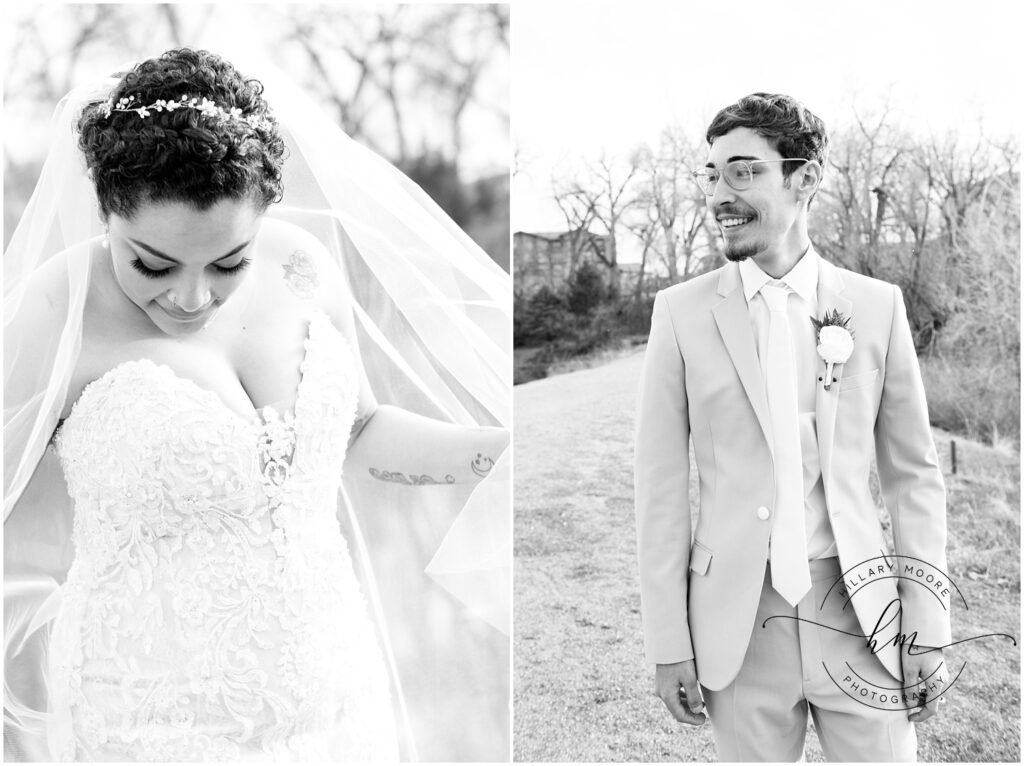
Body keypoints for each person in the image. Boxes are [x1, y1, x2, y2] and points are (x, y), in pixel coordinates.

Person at [4, 48, 510, 762]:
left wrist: (496, 452)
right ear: (104, 209)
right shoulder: (52, 312)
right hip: (149, 721)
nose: (191, 297)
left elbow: (360, 432)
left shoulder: (303, 267)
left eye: (228, 262)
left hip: (338, 697)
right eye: (150, 263)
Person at [634, 93, 950, 761]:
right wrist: (669, 643)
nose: (721, 193)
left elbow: (914, 479)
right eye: (712, 174)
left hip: (862, 620)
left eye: (744, 171)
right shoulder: (680, 315)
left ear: (804, 177)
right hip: (737, 629)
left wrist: (927, 623)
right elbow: (659, 491)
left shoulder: (877, 307)